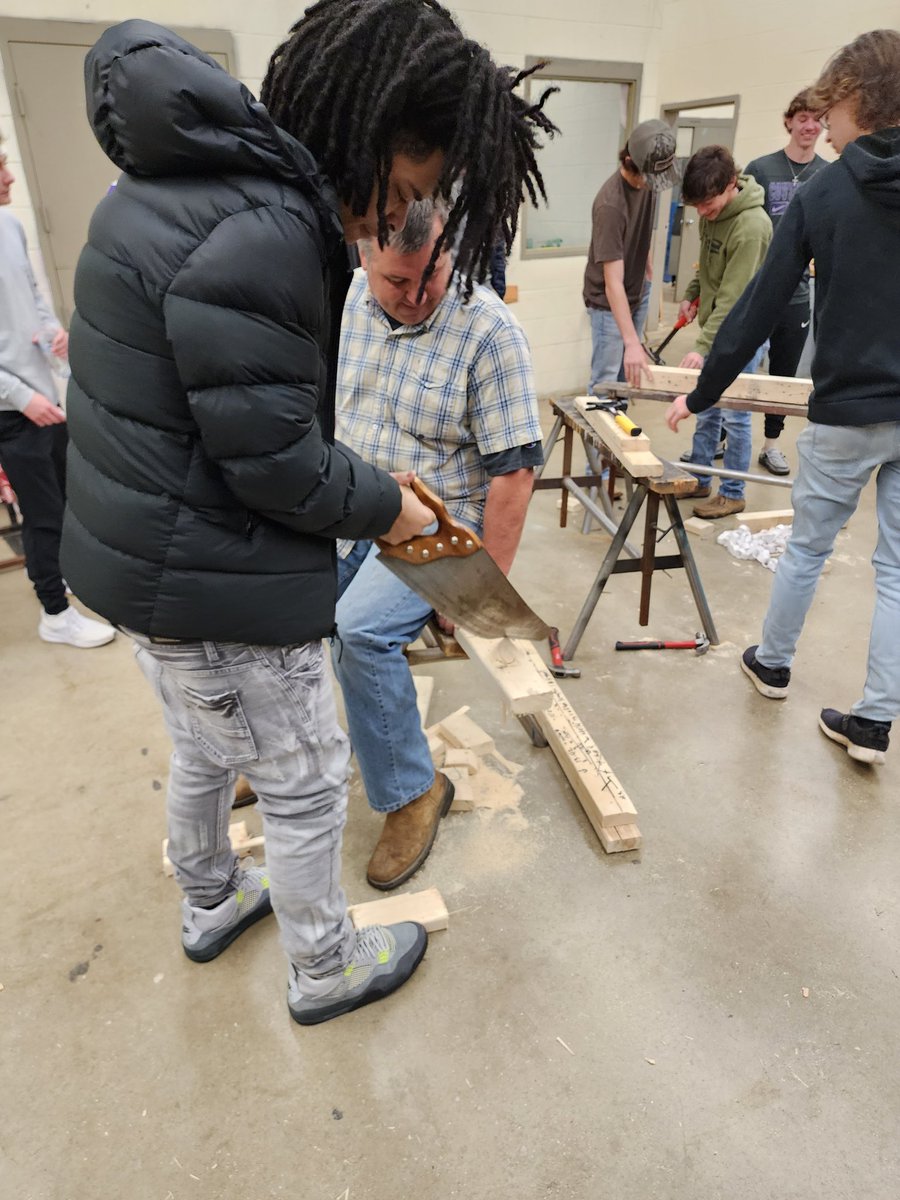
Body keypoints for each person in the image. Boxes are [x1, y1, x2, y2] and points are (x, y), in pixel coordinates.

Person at [60, 7, 557, 1026]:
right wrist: (382, 500)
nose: (398, 226)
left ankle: (207, 905)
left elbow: (240, 417)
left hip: (136, 559)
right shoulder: (268, 232)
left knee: (203, 750)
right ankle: (323, 965)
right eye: (411, 190)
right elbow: (271, 461)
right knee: (302, 779)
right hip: (212, 570)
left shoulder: (174, 180)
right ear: (367, 135)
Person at [666, 29, 900, 766]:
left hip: (847, 408)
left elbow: (761, 306)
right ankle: (873, 723)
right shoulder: (820, 181)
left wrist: (703, 394)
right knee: (897, 571)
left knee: (808, 546)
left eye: (830, 109)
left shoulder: (827, 190)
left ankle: (772, 664)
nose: (821, 124)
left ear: (859, 102)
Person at [332, 200, 542, 890]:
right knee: (276, 601)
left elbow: (512, 475)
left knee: (358, 631)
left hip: (437, 526)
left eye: (434, 275)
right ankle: (296, 753)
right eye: (399, 282)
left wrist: (480, 593)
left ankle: (411, 791)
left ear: (454, 251)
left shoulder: (490, 332)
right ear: (365, 257)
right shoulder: (351, 299)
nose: (418, 296)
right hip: (356, 503)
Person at [0, 147, 114, 649]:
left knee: (70, 501)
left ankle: (69, 578)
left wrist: (53, 334)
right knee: (43, 514)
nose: (9, 178)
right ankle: (54, 612)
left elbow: (32, 294)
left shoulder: (10, 228)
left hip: (47, 393)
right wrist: (21, 396)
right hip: (13, 409)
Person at [676, 145, 772, 519]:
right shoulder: (710, 213)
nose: (702, 213)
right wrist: (692, 295)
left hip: (743, 335)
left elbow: (733, 300)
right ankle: (701, 477)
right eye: (696, 206)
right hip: (717, 330)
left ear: (731, 184)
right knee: (707, 407)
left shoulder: (752, 227)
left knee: (735, 413)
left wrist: (701, 347)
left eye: (708, 204)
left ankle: (732, 491)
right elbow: (708, 264)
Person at [745, 91, 827, 475]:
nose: (810, 126)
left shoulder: (828, 175)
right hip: (759, 290)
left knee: (783, 374)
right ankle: (730, 430)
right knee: (742, 366)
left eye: (817, 119)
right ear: (789, 122)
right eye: (803, 118)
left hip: (797, 296)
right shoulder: (761, 169)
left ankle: (771, 445)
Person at [583, 118, 680, 393]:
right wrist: (631, 342)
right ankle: (600, 434)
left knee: (629, 379)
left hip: (637, 290)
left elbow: (641, 229)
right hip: (608, 302)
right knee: (606, 382)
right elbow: (612, 282)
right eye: (648, 179)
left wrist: (648, 271)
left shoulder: (646, 184)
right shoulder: (610, 205)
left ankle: (622, 433)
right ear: (629, 161)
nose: (652, 185)